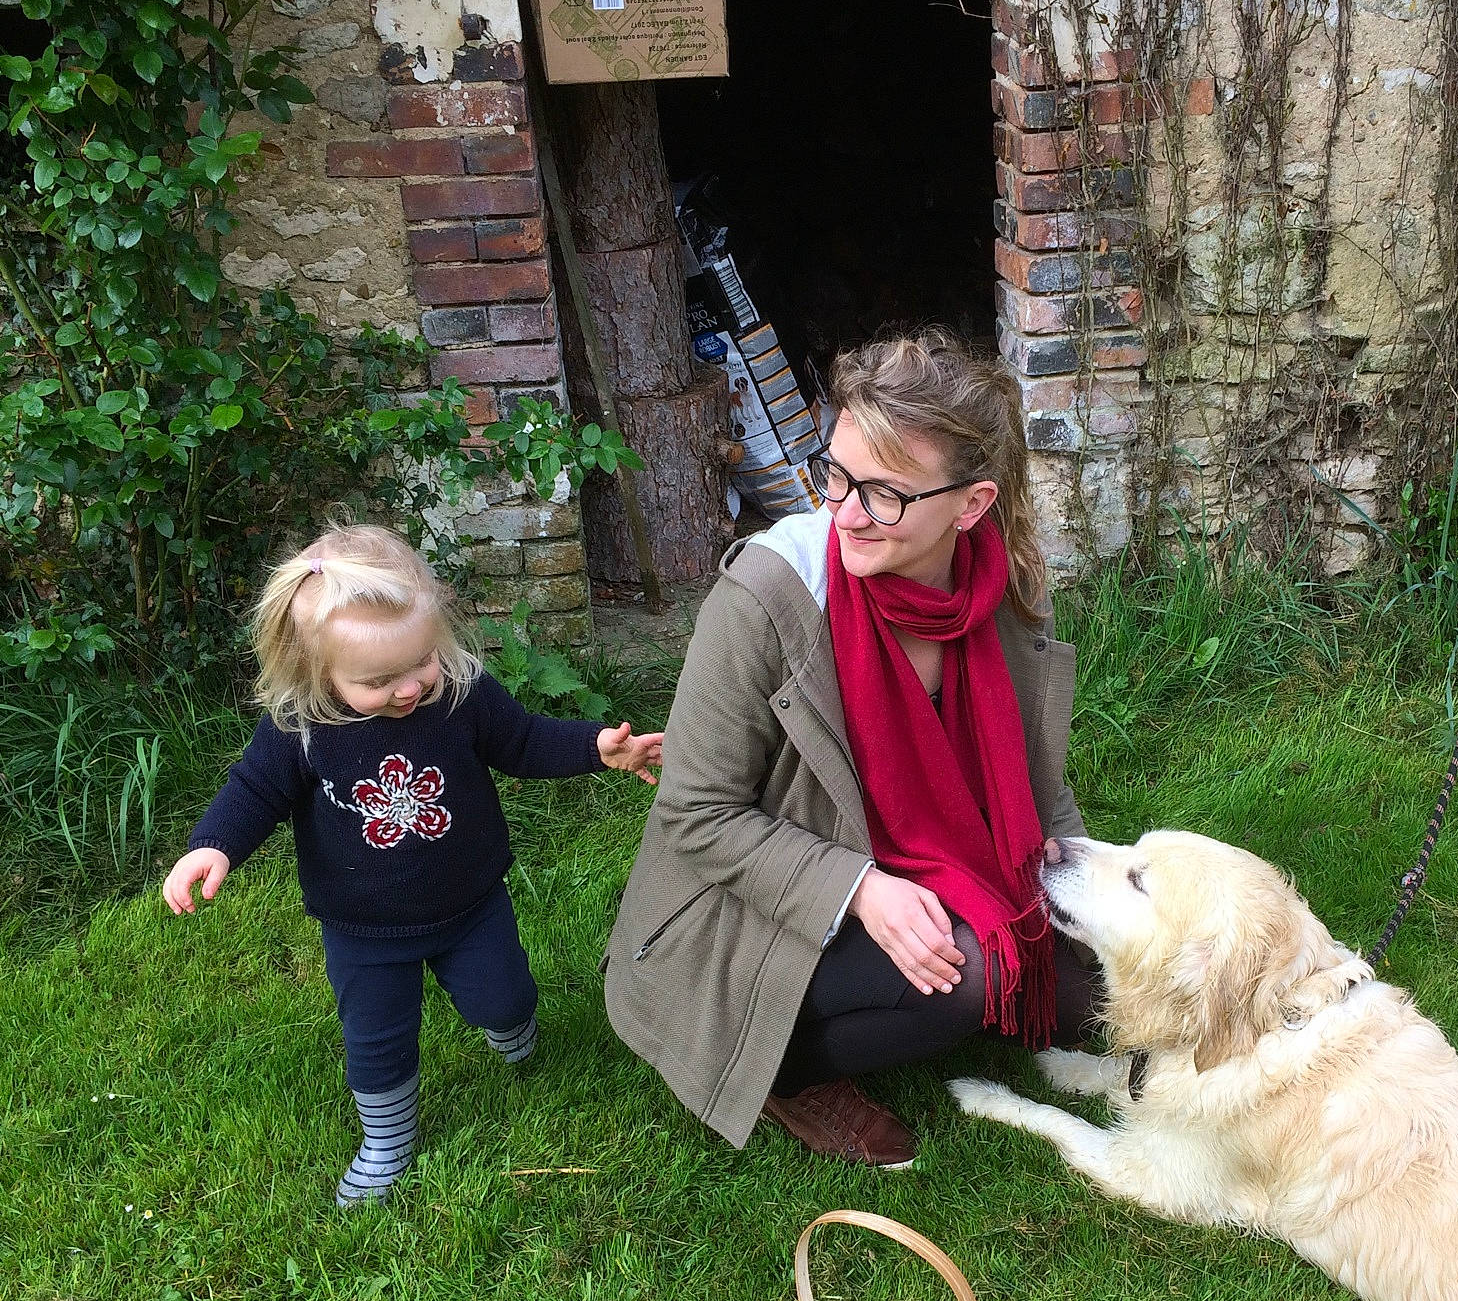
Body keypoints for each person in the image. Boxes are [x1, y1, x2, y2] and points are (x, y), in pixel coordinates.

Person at [606, 329, 1095, 1168]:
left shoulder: (1001, 588)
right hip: (747, 905)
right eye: (834, 475)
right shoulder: (767, 598)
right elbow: (695, 814)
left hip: (929, 854)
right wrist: (861, 888)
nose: (844, 512)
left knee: (1088, 973)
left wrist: (1071, 870)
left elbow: (1030, 773)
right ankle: (784, 1073)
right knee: (968, 979)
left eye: (883, 494)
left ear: (970, 506)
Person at [161, 525, 662, 1205]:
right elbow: (253, 791)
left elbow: (524, 742)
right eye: (377, 680)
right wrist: (212, 845)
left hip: (471, 903)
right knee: (377, 1040)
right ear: (316, 671)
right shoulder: (301, 730)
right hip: (361, 927)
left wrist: (596, 747)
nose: (407, 689)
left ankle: (512, 1030)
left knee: (505, 997)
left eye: (420, 661)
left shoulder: (459, 694)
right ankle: (387, 1139)